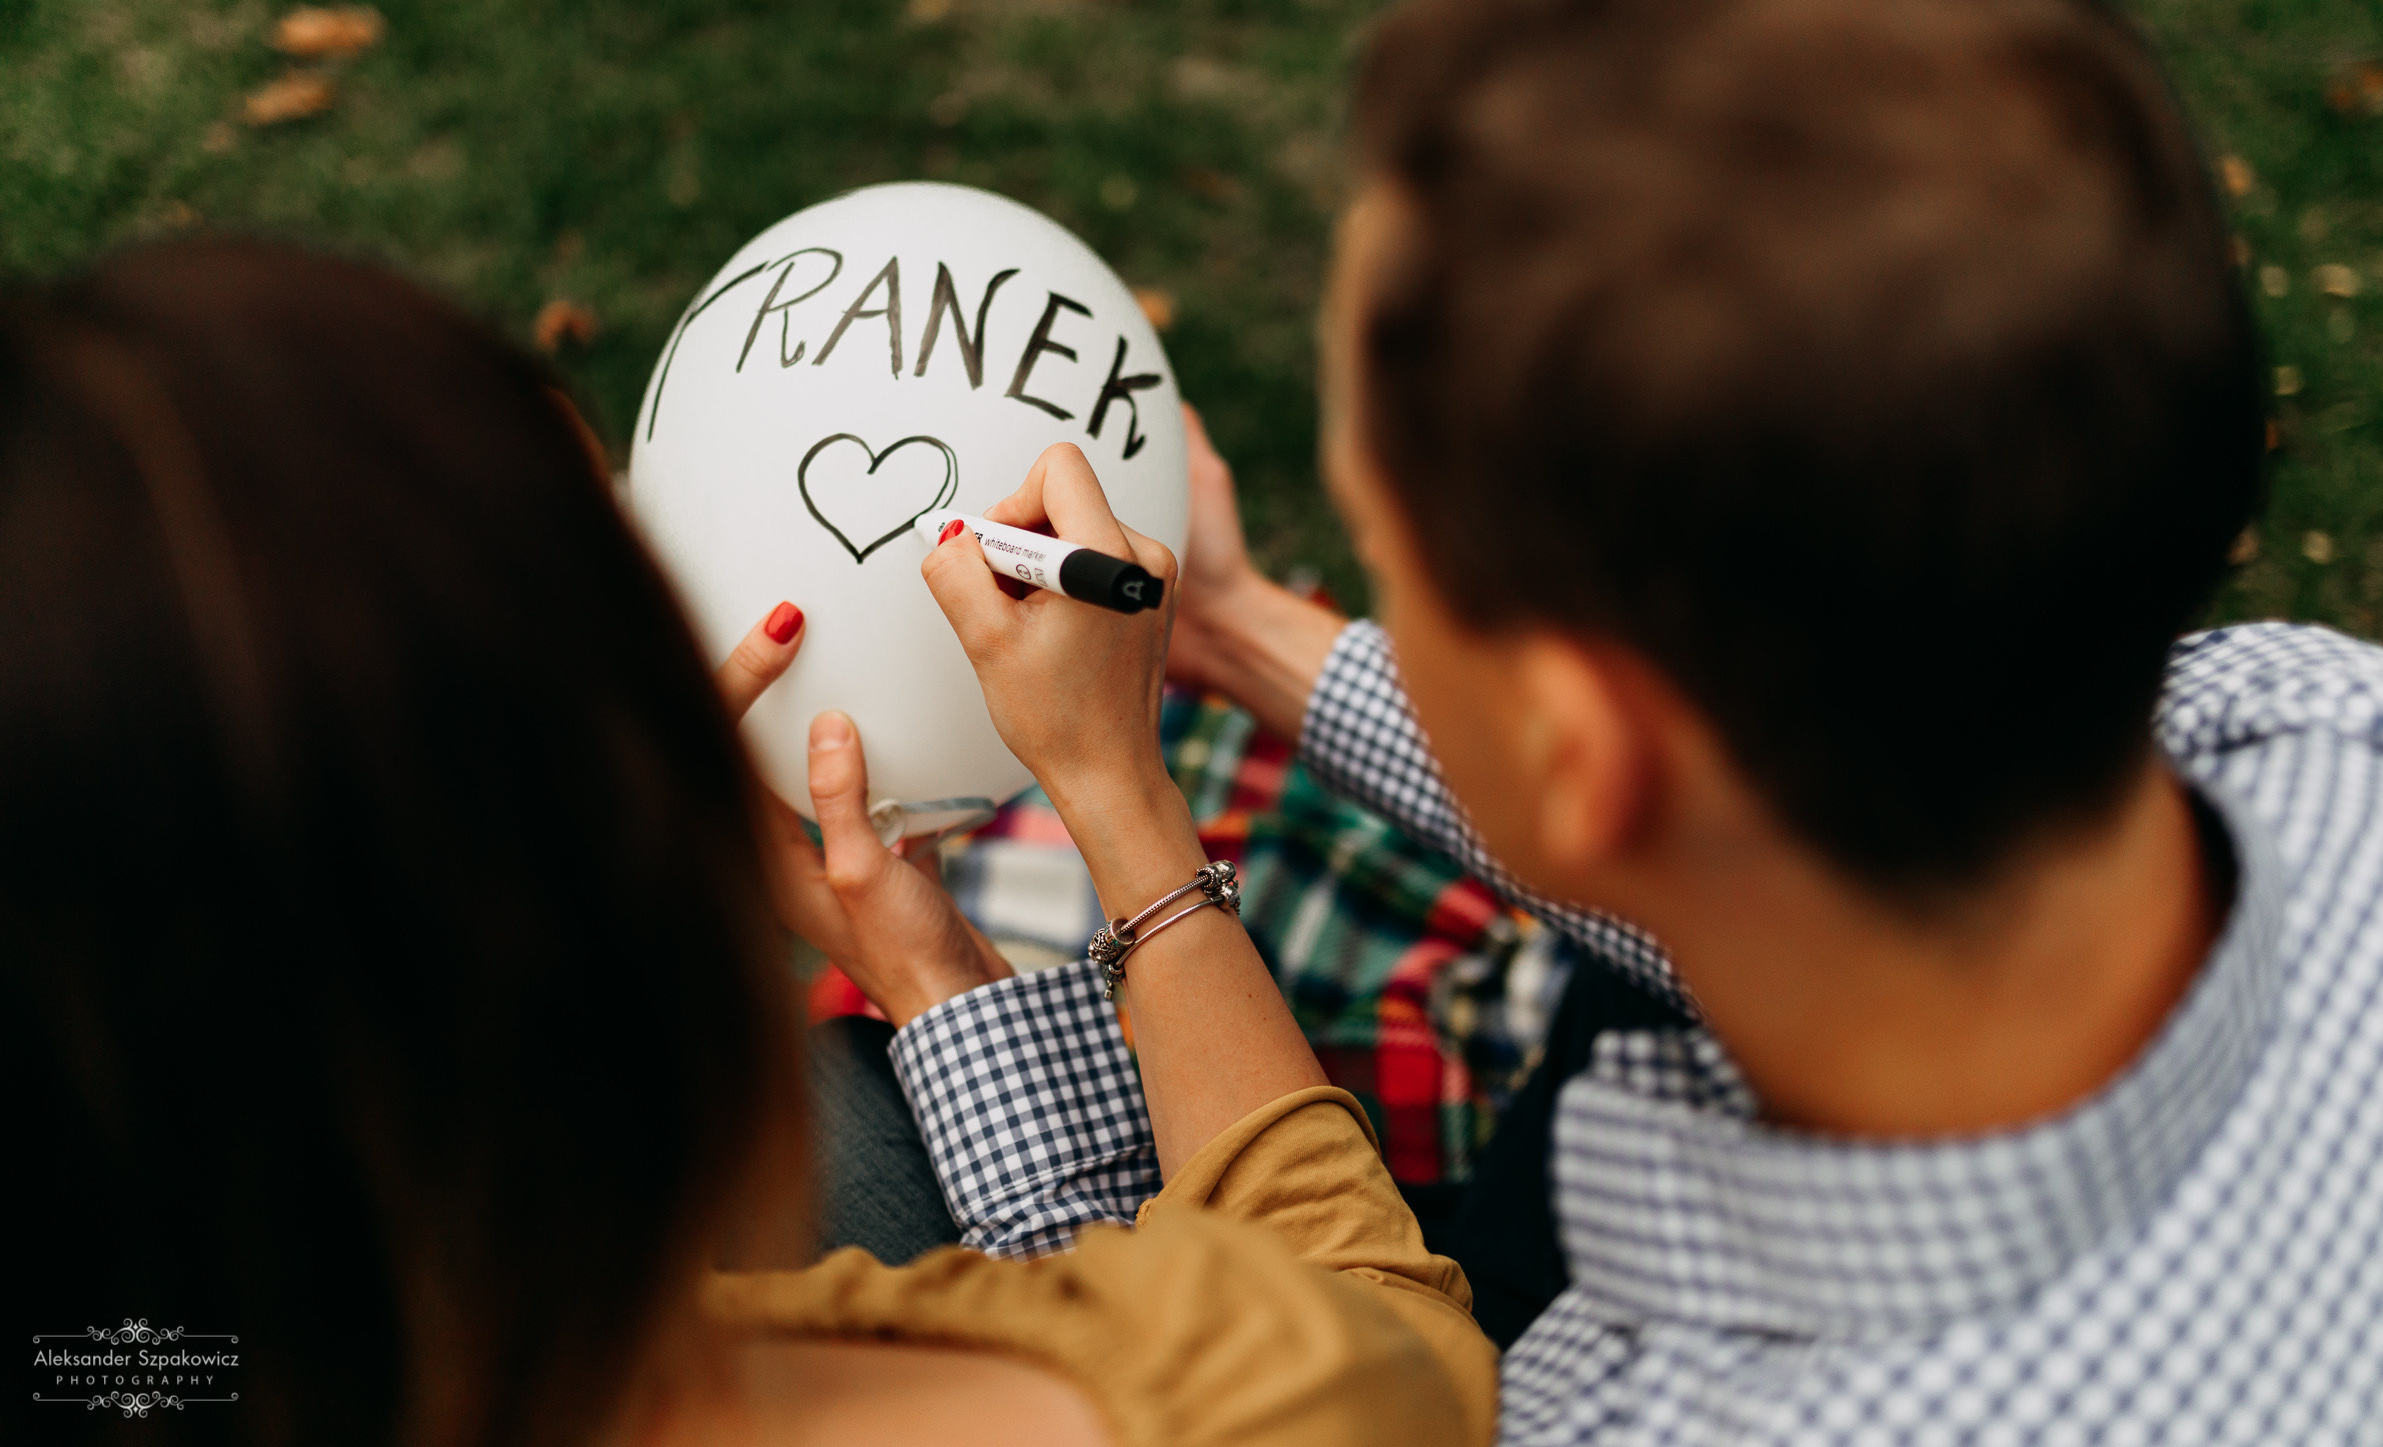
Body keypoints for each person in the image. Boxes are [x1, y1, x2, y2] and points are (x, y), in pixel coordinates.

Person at [871, 0, 2383, 1441]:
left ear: (1584, 751)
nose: (1374, 590)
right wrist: (1251, 634)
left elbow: (1257, 1400)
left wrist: (961, 964)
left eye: (1391, 557)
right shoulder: (2330, 732)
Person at [6, 236, 1495, 1447]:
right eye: (630, 592)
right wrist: (1128, 811)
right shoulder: (1236, 1397)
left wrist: (935, 987)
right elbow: (1386, 1342)